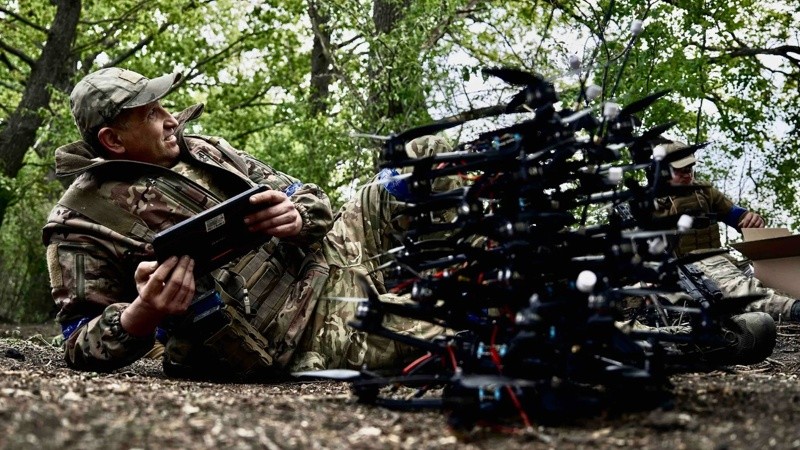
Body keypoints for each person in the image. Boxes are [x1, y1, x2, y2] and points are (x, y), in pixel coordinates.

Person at [43, 67, 451, 379]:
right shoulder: (80, 222)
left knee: (426, 154)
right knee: (462, 327)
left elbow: (307, 193)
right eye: (152, 113)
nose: (171, 119)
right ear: (113, 140)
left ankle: (439, 273)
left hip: (335, 250)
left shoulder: (204, 150)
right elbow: (79, 343)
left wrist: (298, 214)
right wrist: (144, 312)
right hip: (308, 328)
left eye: (164, 106)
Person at [653, 140, 799, 322]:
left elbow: (736, 216)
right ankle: (794, 310)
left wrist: (751, 219)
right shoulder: (649, 206)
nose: (687, 174)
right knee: (741, 291)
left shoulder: (704, 192)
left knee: (774, 282)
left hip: (721, 260)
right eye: (680, 171)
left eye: (689, 168)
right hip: (688, 269)